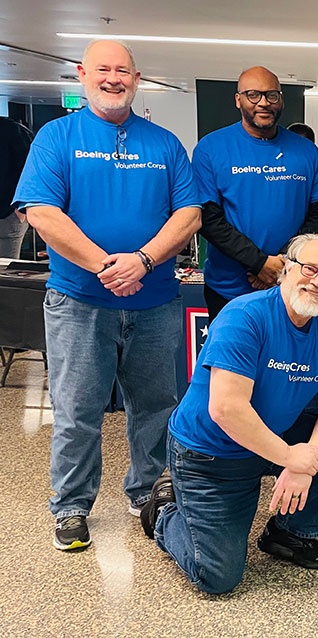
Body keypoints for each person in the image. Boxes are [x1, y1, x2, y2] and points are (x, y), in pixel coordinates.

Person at [12, 39, 201, 551]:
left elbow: (189, 214)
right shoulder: (57, 137)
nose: (113, 78)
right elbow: (42, 212)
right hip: (79, 302)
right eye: (103, 69)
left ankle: (150, 493)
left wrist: (142, 261)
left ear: (137, 79)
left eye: (123, 70)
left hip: (155, 301)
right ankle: (71, 506)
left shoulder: (164, 144)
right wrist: (106, 266)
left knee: (157, 406)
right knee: (77, 410)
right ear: (82, 74)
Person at [140, 233, 318, 594]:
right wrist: (291, 457)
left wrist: (304, 461)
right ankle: (166, 513)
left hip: (271, 438)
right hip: (211, 454)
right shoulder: (245, 315)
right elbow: (227, 409)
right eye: (309, 268)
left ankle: (288, 534)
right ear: (286, 269)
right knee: (217, 576)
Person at [193, 66, 318, 321]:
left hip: (293, 289)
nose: (263, 103)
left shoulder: (307, 152)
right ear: (238, 100)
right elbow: (209, 220)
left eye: (271, 95)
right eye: (253, 95)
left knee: (291, 350)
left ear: (281, 100)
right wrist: (258, 263)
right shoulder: (210, 148)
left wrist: (283, 262)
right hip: (227, 291)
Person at [0, 116, 33, 259]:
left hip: (8, 214)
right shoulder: (15, 130)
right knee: (7, 268)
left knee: (6, 266)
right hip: (10, 213)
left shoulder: (13, 130)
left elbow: (31, 170)